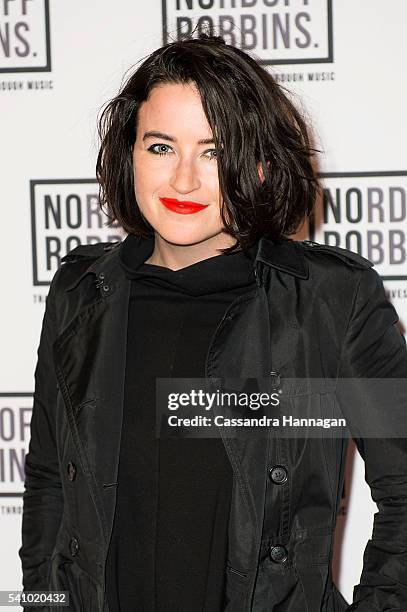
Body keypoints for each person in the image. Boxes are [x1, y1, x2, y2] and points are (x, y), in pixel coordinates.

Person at [19, 32, 407, 612]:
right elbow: (50, 485)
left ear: (258, 163)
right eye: (160, 147)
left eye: (214, 150)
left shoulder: (330, 299)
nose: (183, 180)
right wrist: (42, 604)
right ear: (129, 154)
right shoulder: (81, 293)